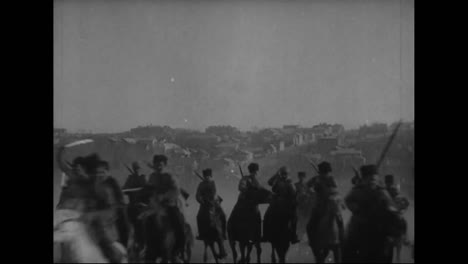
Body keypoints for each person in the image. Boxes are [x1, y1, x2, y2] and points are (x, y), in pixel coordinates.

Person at [344, 165, 399, 263]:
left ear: (377, 179)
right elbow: (348, 200)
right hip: (361, 224)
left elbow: (392, 209)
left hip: (379, 226)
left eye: (374, 178)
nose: (372, 181)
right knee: (349, 241)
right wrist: (358, 209)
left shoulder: (382, 192)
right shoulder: (358, 190)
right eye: (369, 178)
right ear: (365, 178)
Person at [145, 154, 187, 254]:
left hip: (169, 204)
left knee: (177, 222)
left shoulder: (170, 176)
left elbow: (176, 190)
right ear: (154, 165)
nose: (158, 167)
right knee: (146, 220)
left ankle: (180, 247)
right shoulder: (152, 176)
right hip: (156, 206)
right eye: (156, 164)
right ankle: (148, 246)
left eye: (160, 164)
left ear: (164, 165)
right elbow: (149, 189)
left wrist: (164, 197)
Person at [195, 168, 227, 258]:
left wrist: (212, 200)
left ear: (211, 176)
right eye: (205, 176)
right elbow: (197, 194)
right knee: (198, 217)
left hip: (214, 204)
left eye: (208, 176)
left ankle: (224, 233)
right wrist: (201, 200)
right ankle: (201, 234)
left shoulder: (213, 183)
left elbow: (214, 193)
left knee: (223, 216)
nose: (207, 177)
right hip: (204, 204)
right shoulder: (201, 184)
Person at [306, 162, 340, 239]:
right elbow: (307, 185)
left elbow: (335, 190)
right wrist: (312, 191)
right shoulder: (316, 179)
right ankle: (312, 241)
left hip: (330, 205)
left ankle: (342, 238)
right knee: (309, 226)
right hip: (319, 205)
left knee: (339, 220)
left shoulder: (331, 179)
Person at [266, 166, 300, 244]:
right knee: (267, 216)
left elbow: (293, 194)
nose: (284, 175)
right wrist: (276, 175)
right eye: (283, 173)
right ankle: (293, 236)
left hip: (283, 203)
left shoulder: (288, 182)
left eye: (285, 174)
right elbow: (269, 182)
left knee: (294, 218)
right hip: (278, 203)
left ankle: (293, 236)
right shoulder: (278, 180)